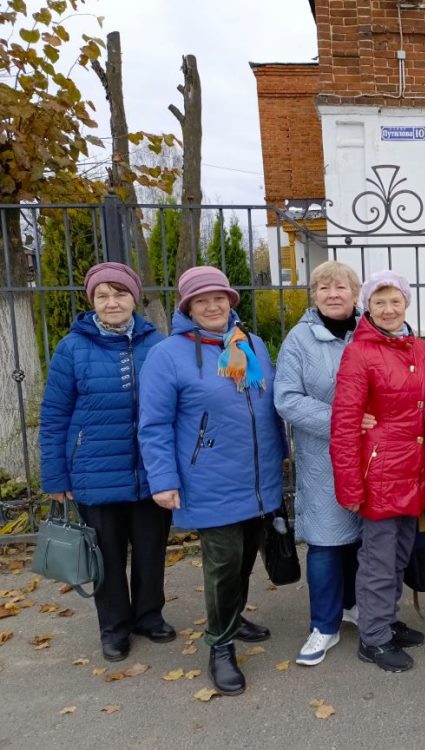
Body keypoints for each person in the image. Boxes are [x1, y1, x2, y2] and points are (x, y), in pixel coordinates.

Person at [138, 266, 284, 697]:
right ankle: (220, 646)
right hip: (208, 478)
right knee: (222, 564)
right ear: (188, 307)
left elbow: (269, 407)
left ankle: (233, 618)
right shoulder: (167, 354)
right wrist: (163, 480)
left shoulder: (251, 343)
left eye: (219, 297)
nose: (213, 306)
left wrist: (282, 461)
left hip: (258, 477)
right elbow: (154, 424)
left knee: (243, 559)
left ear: (231, 301)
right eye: (201, 300)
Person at [39, 262, 171, 663]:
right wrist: (55, 476)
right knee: (106, 555)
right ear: (92, 301)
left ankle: (149, 615)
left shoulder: (157, 344)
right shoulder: (73, 347)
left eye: (120, 293)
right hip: (94, 471)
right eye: (103, 295)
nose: (112, 302)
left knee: (151, 548)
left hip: (151, 470)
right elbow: (55, 415)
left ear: (134, 298)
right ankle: (114, 627)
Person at [330, 270, 425, 674]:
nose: (388, 309)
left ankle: (386, 622)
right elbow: (344, 423)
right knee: (377, 559)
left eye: (395, 301)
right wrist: (350, 485)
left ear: (406, 304)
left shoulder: (419, 348)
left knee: (398, 555)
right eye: (379, 302)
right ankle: (373, 639)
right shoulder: (360, 352)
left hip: (412, 471)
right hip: (379, 473)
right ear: (368, 307)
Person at [274, 261, 364, 666]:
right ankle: (324, 626)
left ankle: (357, 607)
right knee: (328, 541)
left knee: (366, 539)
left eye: (340, 286)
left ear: (354, 292)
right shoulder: (299, 340)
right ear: (314, 295)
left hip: (375, 455)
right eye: (323, 287)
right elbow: (287, 398)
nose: (332, 293)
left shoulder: (373, 330)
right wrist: (345, 423)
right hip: (324, 456)